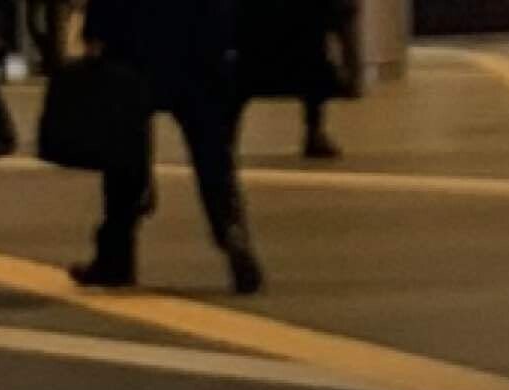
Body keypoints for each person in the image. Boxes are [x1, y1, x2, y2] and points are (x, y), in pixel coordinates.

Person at [71, 0, 255, 296]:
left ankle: (116, 255)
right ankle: (232, 233)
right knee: (212, 155)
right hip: (200, 45)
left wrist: (95, 31)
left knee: (124, 152)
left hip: (133, 43)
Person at [239, 0, 356, 163]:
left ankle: (224, 136)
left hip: (258, 42)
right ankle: (314, 131)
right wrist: (351, 64)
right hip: (305, 46)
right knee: (313, 63)